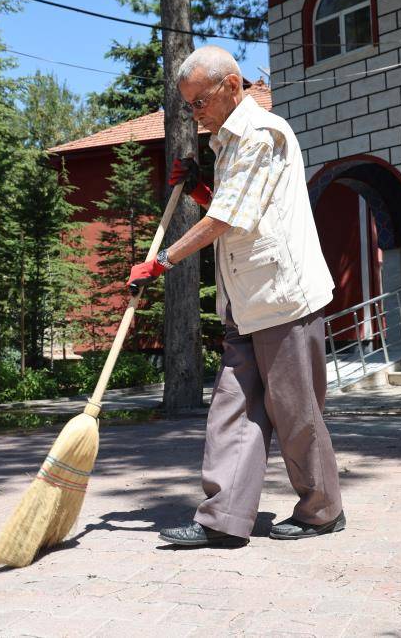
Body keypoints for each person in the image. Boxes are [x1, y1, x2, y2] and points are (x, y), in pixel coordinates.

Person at [126, 45, 344, 547]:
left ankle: (322, 510)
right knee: (232, 408)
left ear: (231, 86)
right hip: (244, 303)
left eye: (199, 101)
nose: (195, 113)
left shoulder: (260, 134)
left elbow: (229, 219)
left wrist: (160, 262)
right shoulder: (228, 143)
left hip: (283, 299)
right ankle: (222, 518)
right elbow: (237, 209)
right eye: (189, 105)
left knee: (294, 412)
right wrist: (202, 188)